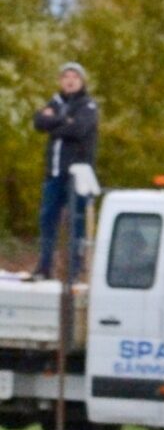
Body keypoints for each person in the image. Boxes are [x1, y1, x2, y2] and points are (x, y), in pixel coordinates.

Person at [31, 62, 98, 282]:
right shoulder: (56, 102)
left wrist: (53, 124)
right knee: (47, 220)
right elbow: (39, 122)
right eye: (66, 76)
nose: (70, 80)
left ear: (81, 81)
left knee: (76, 222)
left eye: (74, 77)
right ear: (60, 81)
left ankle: (74, 270)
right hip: (54, 173)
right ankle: (44, 267)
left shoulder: (88, 105)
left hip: (77, 175)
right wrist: (62, 120)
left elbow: (79, 129)